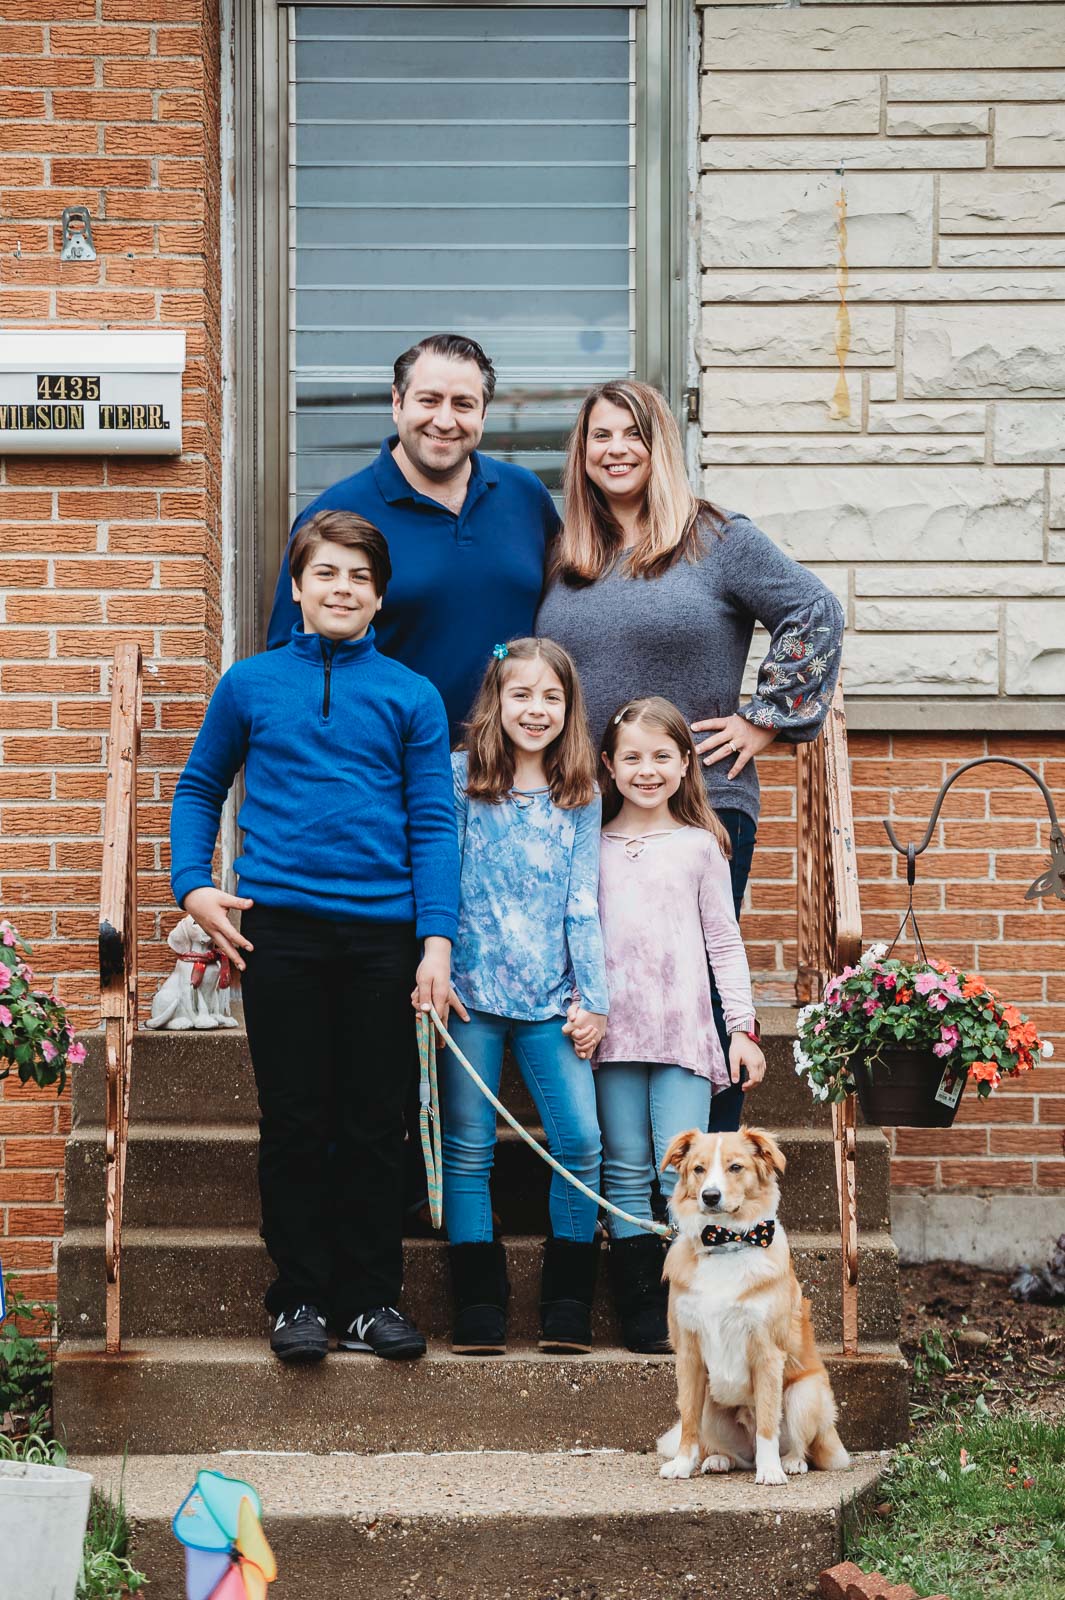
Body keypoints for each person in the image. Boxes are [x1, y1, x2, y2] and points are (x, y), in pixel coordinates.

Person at [170, 510, 459, 1365]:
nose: (343, 589)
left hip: (382, 936)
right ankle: (297, 1297)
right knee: (296, 1121)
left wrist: (435, 941)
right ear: (296, 587)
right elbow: (198, 787)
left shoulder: (411, 694)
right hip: (279, 936)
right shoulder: (250, 684)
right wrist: (194, 888)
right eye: (326, 573)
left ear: (379, 597)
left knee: (377, 1122)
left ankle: (369, 1301)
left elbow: (434, 825)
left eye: (359, 578)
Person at [536, 379, 844, 1130]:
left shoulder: (715, 539)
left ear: (660, 445)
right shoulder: (569, 552)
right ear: (581, 452)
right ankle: (619, 1179)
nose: (614, 450)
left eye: (630, 434)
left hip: (700, 801)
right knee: (597, 983)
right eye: (598, 436)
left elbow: (813, 609)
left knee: (698, 984)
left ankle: (713, 1179)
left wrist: (765, 720)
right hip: (588, 808)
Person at [441, 637, 608, 1357]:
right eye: (521, 695)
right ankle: (477, 1306)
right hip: (468, 997)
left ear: (568, 709)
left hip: (550, 1000)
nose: (534, 710)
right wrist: (432, 963)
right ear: (495, 702)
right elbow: (441, 881)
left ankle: (566, 1304)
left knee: (581, 1142)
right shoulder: (458, 782)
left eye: (551, 697)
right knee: (468, 1150)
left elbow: (582, 904)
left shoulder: (581, 797)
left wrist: (592, 998)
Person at [267, 333, 560, 741]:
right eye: (428, 400)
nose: (444, 420)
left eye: (463, 404)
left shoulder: (525, 497)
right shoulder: (337, 514)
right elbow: (290, 663)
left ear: (484, 415)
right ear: (397, 402)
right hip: (388, 772)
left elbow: (570, 617)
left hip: (514, 774)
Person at [594, 696, 766, 1353]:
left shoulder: (701, 845)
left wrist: (741, 1029)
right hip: (611, 1039)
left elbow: (723, 943)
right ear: (607, 766)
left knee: (687, 1172)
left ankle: (687, 1300)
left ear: (685, 763)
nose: (646, 770)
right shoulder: (591, 844)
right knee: (622, 1164)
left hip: (684, 1035)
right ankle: (637, 1304)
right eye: (631, 757)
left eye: (661, 756)